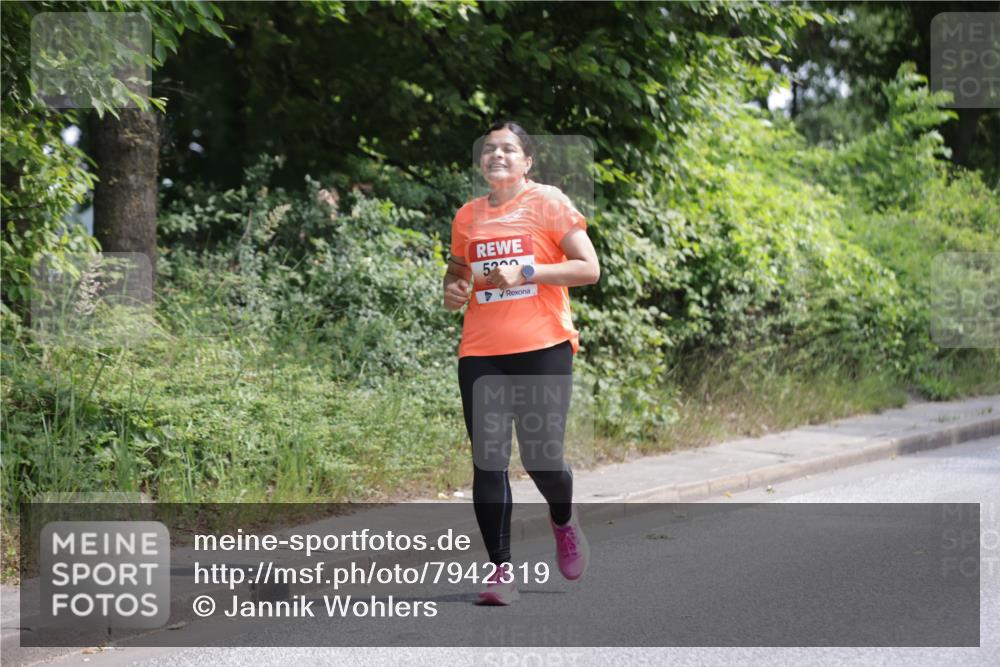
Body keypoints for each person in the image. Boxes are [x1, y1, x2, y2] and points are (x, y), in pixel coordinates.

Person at [443, 121, 601, 605]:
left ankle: (563, 518)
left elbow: (588, 268)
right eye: (489, 149)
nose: (497, 155)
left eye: (508, 149)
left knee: (541, 459)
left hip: (543, 346)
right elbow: (457, 273)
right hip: (482, 351)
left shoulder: (548, 202)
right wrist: (452, 290)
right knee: (488, 462)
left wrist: (526, 269)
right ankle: (500, 572)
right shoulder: (467, 216)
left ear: (527, 161)